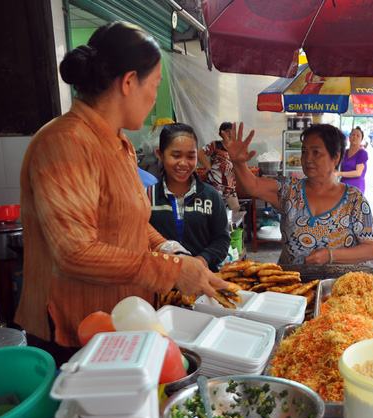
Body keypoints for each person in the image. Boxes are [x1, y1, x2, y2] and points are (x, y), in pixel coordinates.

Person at [14, 22, 225, 359]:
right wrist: (169, 270)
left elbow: (130, 221)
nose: (155, 95)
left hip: (119, 319)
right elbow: (74, 251)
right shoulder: (65, 143)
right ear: (128, 82)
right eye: (155, 84)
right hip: (74, 329)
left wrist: (174, 252)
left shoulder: (118, 142)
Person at [224, 123, 373, 265]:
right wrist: (238, 162)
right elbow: (252, 185)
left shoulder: (354, 199)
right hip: (290, 286)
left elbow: (371, 250)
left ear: (335, 157)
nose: (307, 159)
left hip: (336, 289)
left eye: (316, 152)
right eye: (304, 152)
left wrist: (331, 255)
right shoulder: (288, 190)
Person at [146, 123, 230, 272]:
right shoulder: (147, 198)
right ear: (160, 154)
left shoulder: (211, 196)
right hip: (161, 286)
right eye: (176, 156)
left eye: (191, 156)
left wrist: (202, 260)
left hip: (203, 282)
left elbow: (222, 240)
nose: (184, 163)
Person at [198, 122, 240, 211]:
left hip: (229, 184)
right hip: (215, 183)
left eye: (232, 131)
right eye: (227, 131)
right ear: (222, 133)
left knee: (236, 209)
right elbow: (199, 153)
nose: (230, 133)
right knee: (216, 209)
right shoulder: (215, 145)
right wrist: (208, 167)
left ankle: (231, 225)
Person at [334, 126, 369, 193]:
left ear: (361, 139)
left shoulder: (362, 153)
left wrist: (340, 174)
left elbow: (358, 173)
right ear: (349, 137)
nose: (355, 137)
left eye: (358, 135)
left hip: (356, 187)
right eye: (353, 134)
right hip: (343, 185)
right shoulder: (344, 152)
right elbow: (338, 167)